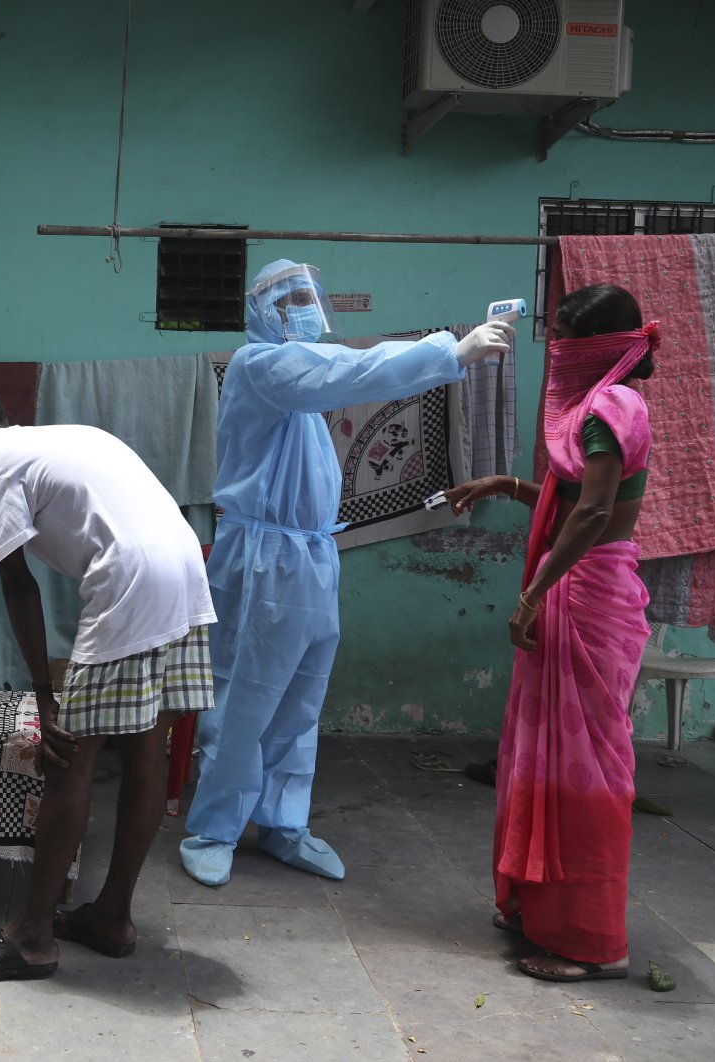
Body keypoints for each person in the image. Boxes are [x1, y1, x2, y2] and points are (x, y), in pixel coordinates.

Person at [178, 259, 513, 887]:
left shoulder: (301, 390)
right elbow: (348, 370)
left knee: (302, 699)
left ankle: (284, 823)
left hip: (311, 556)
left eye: (308, 294)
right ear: (262, 311)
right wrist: (450, 351)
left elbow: (334, 375)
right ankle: (214, 827)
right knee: (245, 696)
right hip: (264, 557)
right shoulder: (264, 367)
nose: (305, 305)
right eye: (289, 298)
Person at [0, 389, 214, 982]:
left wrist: (43, 692)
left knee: (67, 758)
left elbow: (18, 583)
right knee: (144, 751)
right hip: (186, 567)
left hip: (130, 578)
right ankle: (111, 916)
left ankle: (33, 935)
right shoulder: (71, 437)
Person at [446, 284, 655, 983]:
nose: (552, 347)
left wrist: (533, 594)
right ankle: (542, 908)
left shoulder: (601, 412)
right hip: (590, 589)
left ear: (588, 347)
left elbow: (593, 515)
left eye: (561, 335)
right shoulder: (614, 406)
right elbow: (580, 500)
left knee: (583, 768)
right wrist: (509, 485)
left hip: (587, 596)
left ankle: (592, 941)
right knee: (544, 756)